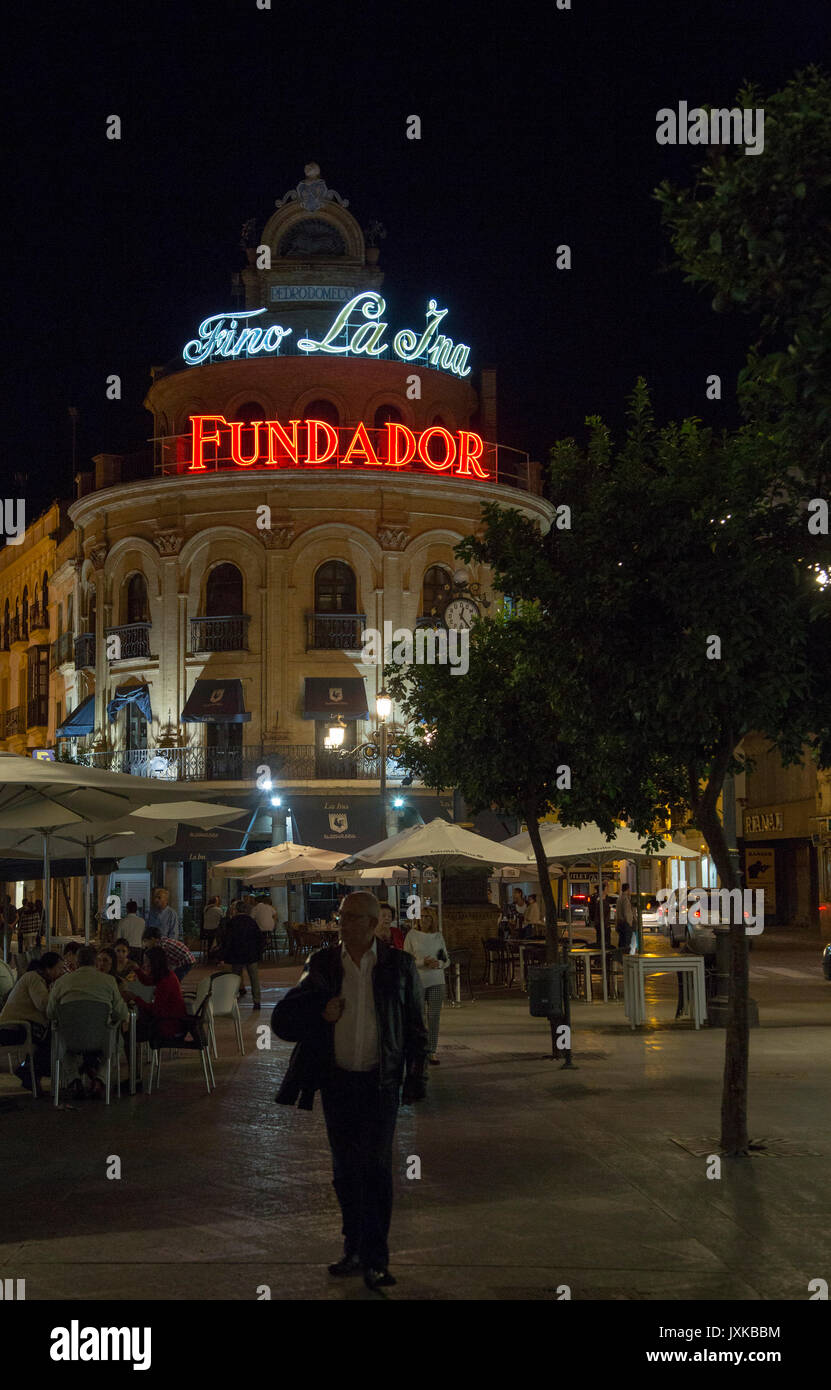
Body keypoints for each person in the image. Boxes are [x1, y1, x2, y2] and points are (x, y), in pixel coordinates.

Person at [272, 891, 428, 1290]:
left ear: (375, 923)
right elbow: (283, 1021)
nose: (344, 923)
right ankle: (353, 1247)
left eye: (354, 917)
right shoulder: (323, 964)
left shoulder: (399, 966)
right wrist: (319, 1012)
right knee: (344, 1169)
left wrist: (416, 1078)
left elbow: (415, 1027)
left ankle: (376, 1258)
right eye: (342, 916)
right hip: (338, 1080)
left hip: (380, 1081)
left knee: (376, 1167)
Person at [47, 945, 129, 1099]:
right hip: (101, 1038)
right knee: (115, 1044)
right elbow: (122, 1013)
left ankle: (74, 1080)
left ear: (77, 962)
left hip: (70, 1038)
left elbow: (50, 1012)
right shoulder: (109, 981)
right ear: (96, 962)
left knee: (63, 1046)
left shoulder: (62, 982)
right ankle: (101, 1079)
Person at [0, 952, 63, 1091]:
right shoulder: (34, 978)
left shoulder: (40, 980)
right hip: (13, 1029)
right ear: (48, 968)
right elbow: (43, 1004)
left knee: (51, 1036)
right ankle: (34, 1072)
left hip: (20, 1027)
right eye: (59, 968)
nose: (61, 972)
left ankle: (32, 1073)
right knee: (51, 1038)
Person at [403, 905, 450, 1066]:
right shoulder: (412, 935)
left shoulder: (438, 936)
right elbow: (406, 959)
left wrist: (439, 963)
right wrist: (423, 962)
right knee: (419, 1016)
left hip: (436, 979)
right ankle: (419, 1048)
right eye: (422, 916)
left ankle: (432, 1050)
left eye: (428, 917)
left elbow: (445, 958)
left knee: (434, 1017)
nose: (424, 920)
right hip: (419, 980)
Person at [124, 946, 186, 1043]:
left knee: (129, 1034)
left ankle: (133, 1057)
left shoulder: (165, 981)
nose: (145, 965)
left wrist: (135, 998)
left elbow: (156, 1010)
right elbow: (148, 981)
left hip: (169, 1025)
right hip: (171, 1022)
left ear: (155, 963)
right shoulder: (166, 975)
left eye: (147, 962)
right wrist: (137, 969)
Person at [219, 900, 263, 1008]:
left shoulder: (232, 922)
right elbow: (259, 938)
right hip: (251, 954)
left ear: (236, 910)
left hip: (236, 954)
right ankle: (257, 1001)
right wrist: (258, 952)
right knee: (254, 978)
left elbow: (227, 940)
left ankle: (233, 999)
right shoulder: (252, 921)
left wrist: (223, 955)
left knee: (235, 978)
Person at [616, 883, 635, 952]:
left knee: (621, 943)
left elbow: (617, 912)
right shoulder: (625, 899)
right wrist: (630, 923)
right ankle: (625, 958)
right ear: (628, 889)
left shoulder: (619, 898)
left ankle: (620, 958)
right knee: (627, 944)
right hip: (626, 924)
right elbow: (627, 912)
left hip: (620, 923)